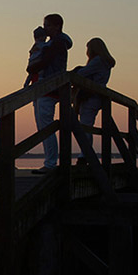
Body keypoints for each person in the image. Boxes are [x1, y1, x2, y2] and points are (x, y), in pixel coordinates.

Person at [26, 14, 73, 173]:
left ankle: (51, 163)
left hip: (49, 87)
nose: (45, 29)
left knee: (46, 125)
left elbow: (44, 62)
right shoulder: (52, 43)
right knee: (43, 126)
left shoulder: (58, 43)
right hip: (41, 87)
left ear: (57, 26)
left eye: (47, 25)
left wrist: (33, 63)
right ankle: (50, 162)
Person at [71, 38, 116, 163]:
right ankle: (85, 154)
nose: (87, 51)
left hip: (90, 96)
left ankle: (84, 155)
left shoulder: (98, 61)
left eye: (88, 48)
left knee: (85, 126)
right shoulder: (105, 62)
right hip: (97, 97)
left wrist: (74, 72)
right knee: (87, 125)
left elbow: (83, 73)